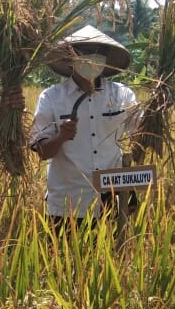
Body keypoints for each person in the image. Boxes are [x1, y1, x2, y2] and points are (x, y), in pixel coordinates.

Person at [29, 26, 139, 230]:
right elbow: (42, 152)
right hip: (67, 203)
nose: (91, 59)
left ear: (105, 59)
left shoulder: (122, 95)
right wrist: (61, 136)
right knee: (63, 259)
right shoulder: (52, 97)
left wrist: (158, 110)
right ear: (71, 58)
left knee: (113, 259)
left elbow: (143, 135)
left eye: (97, 53)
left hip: (112, 198)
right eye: (84, 53)